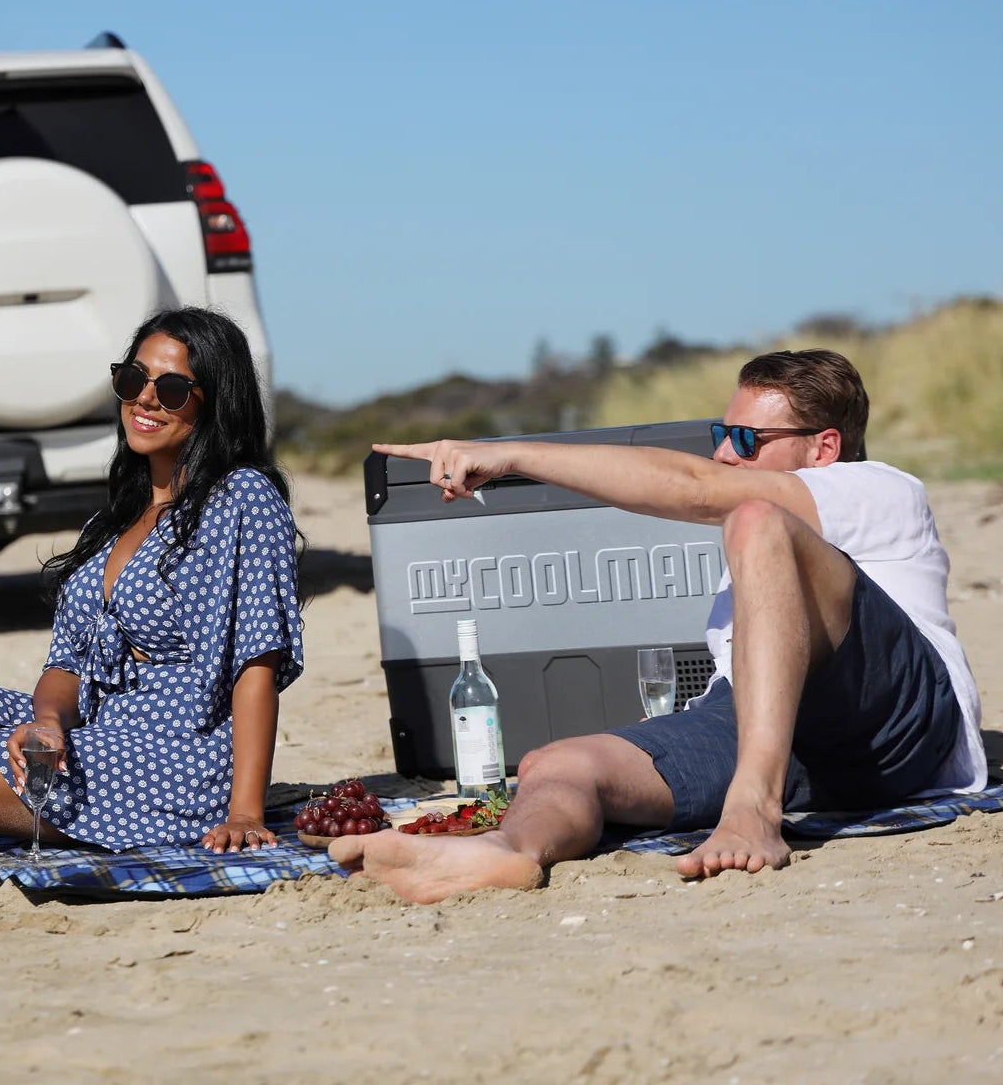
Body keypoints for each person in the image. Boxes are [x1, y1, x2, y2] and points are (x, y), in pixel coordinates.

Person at [329, 349, 985, 902]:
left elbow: (695, 489)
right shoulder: (769, 517)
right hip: (777, 732)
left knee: (754, 518)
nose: (728, 452)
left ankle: (752, 812)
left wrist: (509, 456)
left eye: (750, 440)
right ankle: (509, 851)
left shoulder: (879, 488)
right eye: (723, 434)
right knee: (559, 764)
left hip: (898, 721)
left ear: (825, 447)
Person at [0, 307, 303, 866]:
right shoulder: (112, 522)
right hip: (90, 731)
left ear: (216, 401)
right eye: (134, 379)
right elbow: (66, 664)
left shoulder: (242, 499)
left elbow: (257, 662)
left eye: (173, 388)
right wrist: (45, 723)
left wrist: (245, 812)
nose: (145, 399)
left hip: (172, 771)